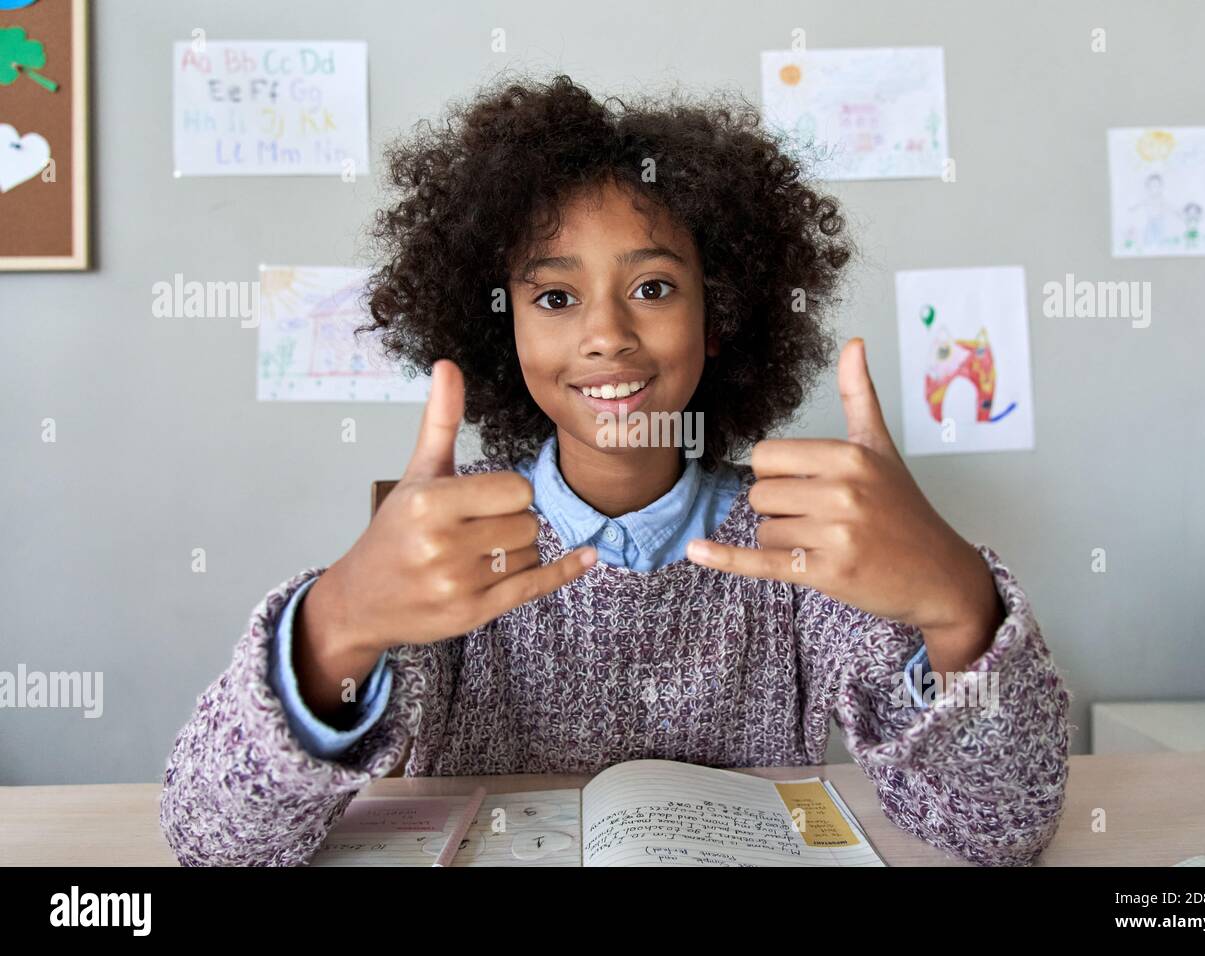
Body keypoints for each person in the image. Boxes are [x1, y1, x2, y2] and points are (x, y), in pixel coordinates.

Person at [160, 74, 1072, 867]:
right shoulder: (449, 541)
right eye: (555, 297)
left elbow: (997, 830)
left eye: (653, 288)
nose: (606, 334)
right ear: (501, 332)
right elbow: (215, 841)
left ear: (720, 321)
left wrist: (960, 601)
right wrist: (336, 623)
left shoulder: (798, 543)